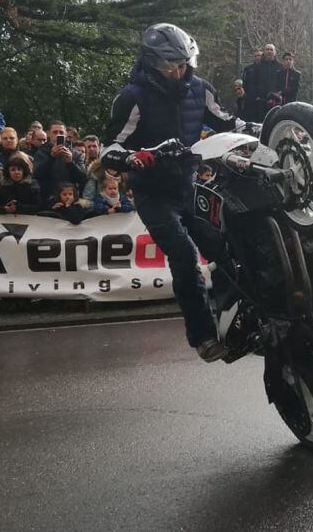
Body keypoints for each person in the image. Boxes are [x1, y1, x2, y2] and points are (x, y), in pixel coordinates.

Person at [101, 23, 238, 362]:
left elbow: (228, 122)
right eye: (170, 65)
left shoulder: (200, 89)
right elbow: (107, 150)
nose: (179, 71)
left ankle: (237, 315)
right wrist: (137, 157)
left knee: (224, 248)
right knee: (184, 256)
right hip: (153, 195)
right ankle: (204, 337)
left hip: (189, 186)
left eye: (184, 63)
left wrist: (270, 124)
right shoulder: (132, 97)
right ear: (151, 64)